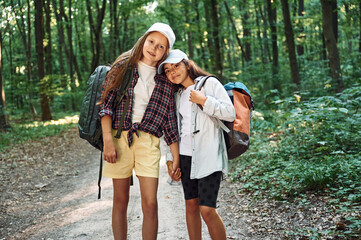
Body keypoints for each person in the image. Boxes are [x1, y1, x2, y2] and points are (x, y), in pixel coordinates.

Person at [98, 23, 181, 240]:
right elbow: (105, 104)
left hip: (148, 142)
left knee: (151, 204)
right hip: (118, 139)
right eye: (151, 41)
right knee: (120, 200)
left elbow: (170, 121)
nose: (154, 48)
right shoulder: (123, 67)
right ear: (143, 40)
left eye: (161, 46)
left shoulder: (165, 79)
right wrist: (108, 141)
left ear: (166, 52)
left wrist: (176, 157)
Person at [159, 49, 236, 240]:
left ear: (186, 63)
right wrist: (171, 159)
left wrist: (204, 101)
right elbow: (174, 130)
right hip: (185, 158)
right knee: (191, 206)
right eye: (167, 71)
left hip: (209, 156)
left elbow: (230, 113)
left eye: (175, 66)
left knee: (207, 210)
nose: (172, 72)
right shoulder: (177, 95)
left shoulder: (209, 83)